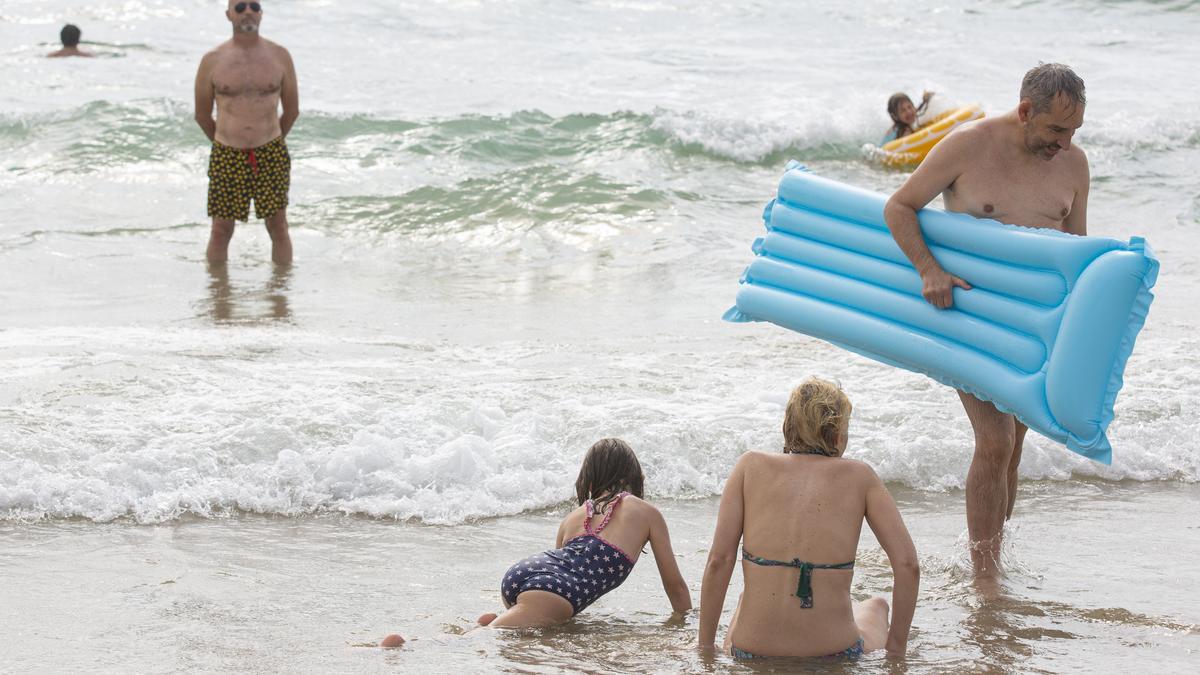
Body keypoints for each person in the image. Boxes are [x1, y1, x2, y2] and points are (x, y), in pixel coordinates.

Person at [882, 63, 1088, 584]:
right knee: (994, 441)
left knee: (1014, 447)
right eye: (1056, 131)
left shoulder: (1074, 165)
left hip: (1031, 326)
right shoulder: (967, 147)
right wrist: (930, 270)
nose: (1064, 144)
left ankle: (994, 556)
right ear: (1024, 112)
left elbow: (1077, 252)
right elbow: (899, 206)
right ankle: (984, 579)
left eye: (1074, 132)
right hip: (970, 318)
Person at [380, 438, 692, 646]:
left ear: (591, 477)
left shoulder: (574, 516)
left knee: (518, 625)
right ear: (634, 475)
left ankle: (505, 616)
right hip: (550, 592)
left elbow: (565, 566)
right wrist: (686, 624)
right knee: (483, 640)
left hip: (527, 575)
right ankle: (407, 646)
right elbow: (674, 585)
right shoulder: (647, 513)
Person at [698, 378, 919, 660]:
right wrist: (896, 652)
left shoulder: (749, 466)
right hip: (834, 651)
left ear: (787, 427)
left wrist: (704, 648)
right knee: (876, 605)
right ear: (838, 434)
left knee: (744, 602)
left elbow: (719, 560)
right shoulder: (861, 476)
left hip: (751, 651)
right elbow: (908, 564)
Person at [194, 1, 299, 265]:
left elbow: (292, 111)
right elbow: (202, 115)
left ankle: (280, 299)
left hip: (271, 152)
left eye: (254, 5)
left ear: (261, 13)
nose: (248, 11)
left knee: (278, 228)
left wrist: (270, 140)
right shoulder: (212, 60)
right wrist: (225, 142)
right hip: (227, 154)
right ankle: (219, 299)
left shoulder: (280, 56)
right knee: (220, 231)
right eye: (240, 7)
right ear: (228, 15)